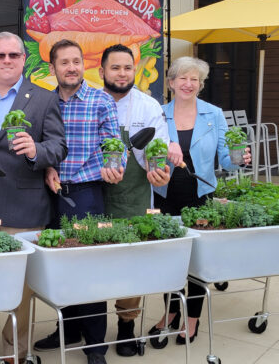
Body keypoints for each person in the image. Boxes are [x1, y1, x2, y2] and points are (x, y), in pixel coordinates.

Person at [0, 31, 67, 364]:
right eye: (0, 55)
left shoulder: (45, 98)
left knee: (21, 286)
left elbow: (58, 147)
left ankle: (14, 347)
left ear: (24, 59)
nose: (6, 61)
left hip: (24, 206)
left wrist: (37, 150)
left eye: (13, 55)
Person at [33, 39, 125, 364]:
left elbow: (113, 141)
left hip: (86, 194)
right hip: (51, 195)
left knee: (89, 270)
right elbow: (41, 144)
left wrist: (115, 165)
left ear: (83, 64)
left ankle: (96, 347)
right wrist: (46, 167)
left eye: (76, 61)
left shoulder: (100, 99)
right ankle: (67, 330)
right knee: (59, 268)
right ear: (52, 68)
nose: (71, 67)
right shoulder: (43, 101)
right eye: (64, 62)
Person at [149, 56, 251, 345]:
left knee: (196, 261)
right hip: (164, 195)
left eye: (194, 79)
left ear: (201, 85)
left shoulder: (214, 114)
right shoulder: (158, 113)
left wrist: (239, 160)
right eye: (182, 78)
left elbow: (225, 161)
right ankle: (170, 313)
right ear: (170, 83)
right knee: (169, 258)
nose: (188, 83)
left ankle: (191, 319)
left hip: (200, 196)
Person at [99, 44, 172, 357]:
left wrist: (160, 171)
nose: (122, 73)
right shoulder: (89, 101)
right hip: (94, 194)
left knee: (130, 266)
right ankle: (78, 326)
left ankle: (126, 327)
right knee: (88, 262)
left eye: (127, 68)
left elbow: (160, 148)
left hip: (135, 196)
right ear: (102, 71)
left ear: (135, 70)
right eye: (115, 68)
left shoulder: (148, 106)